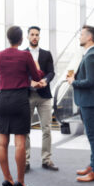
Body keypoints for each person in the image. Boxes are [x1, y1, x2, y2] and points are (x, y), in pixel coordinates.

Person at [0, 26, 44, 186]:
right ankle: (20, 182)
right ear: (21, 40)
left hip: (4, 99)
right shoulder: (25, 55)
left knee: (2, 143)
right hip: (20, 99)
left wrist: (5, 85)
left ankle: (8, 179)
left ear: (8, 38)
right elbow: (36, 76)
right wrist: (38, 68)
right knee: (19, 142)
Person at [66, 25, 94, 182]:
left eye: (81, 34)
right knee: (91, 135)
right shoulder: (90, 54)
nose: (79, 37)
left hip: (89, 102)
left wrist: (73, 82)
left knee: (93, 137)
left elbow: (90, 82)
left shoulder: (91, 56)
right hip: (87, 101)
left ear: (89, 37)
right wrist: (77, 76)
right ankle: (93, 164)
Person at [25, 26, 58, 172]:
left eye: (37, 35)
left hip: (44, 96)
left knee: (47, 129)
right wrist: (30, 82)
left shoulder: (46, 54)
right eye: (32, 34)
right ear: (27, 36)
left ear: (39, 37)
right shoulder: (22, 54)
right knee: (25, 129)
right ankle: (25, 161)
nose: (34, 37)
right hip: (28, 95)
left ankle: (46, 159)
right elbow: (20, 73)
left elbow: (52, 72)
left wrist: (45, 80)